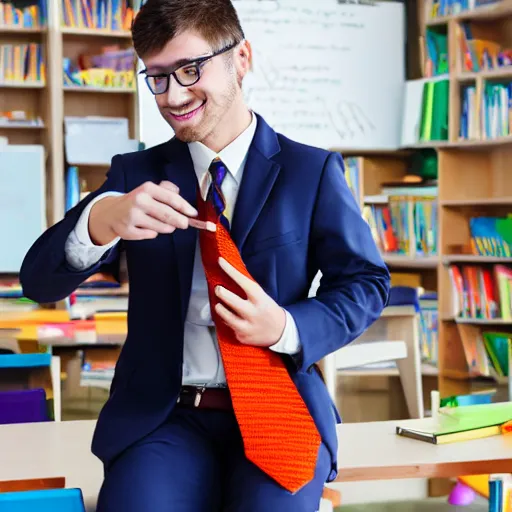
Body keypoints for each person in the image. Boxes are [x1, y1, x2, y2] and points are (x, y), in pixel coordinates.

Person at [20, 0, 390, 510]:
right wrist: (101, 220)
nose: (172, 95)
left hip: (276, 408)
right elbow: (39, 282)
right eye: (157, 77)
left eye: (190, 70)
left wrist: (286, 327)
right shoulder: (134, 177)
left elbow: (367, 283)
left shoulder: (311, 172)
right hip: (163, 417)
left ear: (241, 58)